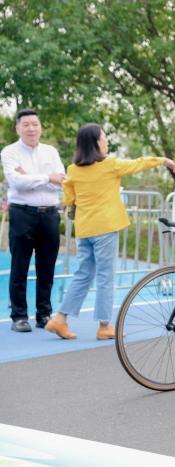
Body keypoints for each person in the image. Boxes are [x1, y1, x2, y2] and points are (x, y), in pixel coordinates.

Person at [44, 124, 175, 339]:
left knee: (83, 274)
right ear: (97, 142)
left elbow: (69, 199)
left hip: (85, 229)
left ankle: (60, 319)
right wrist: (162, 160)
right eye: (104, 137)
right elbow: (137, 164)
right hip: (105, 228)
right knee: (106, 277)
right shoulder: (110, 165)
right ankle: (105, 326)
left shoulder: (73, 170)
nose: (106, 141)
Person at [1, 109, 65, 333]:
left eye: (35, 124)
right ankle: (19, 316)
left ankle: (44, 314)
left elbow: (62, 180)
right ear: (18, 128)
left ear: (41, 127)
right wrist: (47, 177)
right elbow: (16, 183)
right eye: (26, 124)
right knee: (20, 265)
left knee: (46, 267)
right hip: (22, 214)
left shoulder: (51, 151)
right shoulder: (9, 152)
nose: (31, 128)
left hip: (49, 214)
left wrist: (30, 176)